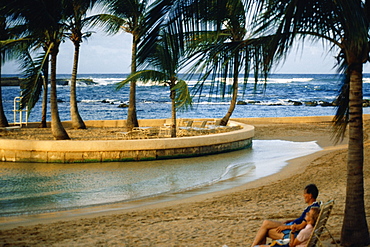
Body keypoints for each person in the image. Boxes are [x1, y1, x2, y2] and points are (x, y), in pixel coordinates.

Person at [251, 184, 319, 246]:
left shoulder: (312, 209)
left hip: (292, 230)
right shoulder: (315, 207)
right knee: (265, 228)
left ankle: (253, 245)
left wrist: (285, 227)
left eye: (305, 193)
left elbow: (301, 226)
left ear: (310, 195)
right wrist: (290, 221)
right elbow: (303, 220)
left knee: (266, 224)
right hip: (291, 225)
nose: (303, 195)